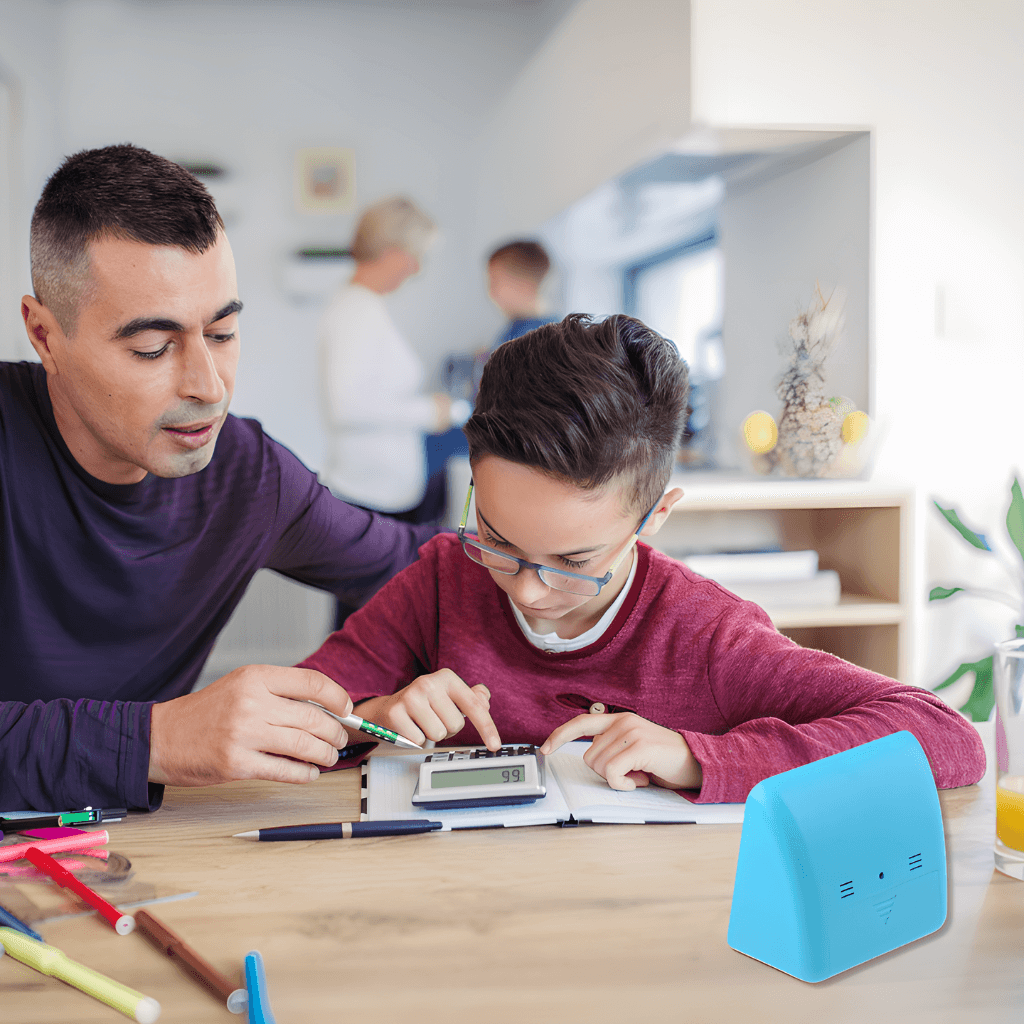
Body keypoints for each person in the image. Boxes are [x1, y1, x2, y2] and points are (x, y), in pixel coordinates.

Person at [298, 314, 986, 801]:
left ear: (655, 515)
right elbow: (294, 714)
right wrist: (376, 714)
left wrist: (699, 757)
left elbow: (945, 737)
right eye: (499, 539)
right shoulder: (445, 578)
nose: (530, 593)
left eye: (572, 559)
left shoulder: (706, 634)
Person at [0, 145, 438, 812]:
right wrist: (153, 739)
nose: (208, 387)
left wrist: (591, 545)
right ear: (44, 334)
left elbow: (423, 566)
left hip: (127, 853)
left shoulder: (247, 473)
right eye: (152, 347)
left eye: (224, 332)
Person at [319, 197, 467, 527]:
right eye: (416, 257)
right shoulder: (356, 312)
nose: (416, 269)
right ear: (391, 251)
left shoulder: (365, 307)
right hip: (371, 497)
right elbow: (346, 407)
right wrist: (431, 412)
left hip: (386, 494)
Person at [485, 240, 555, 352]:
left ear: (524, 286)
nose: (490, 292)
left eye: (495, 282)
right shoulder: (517, 329)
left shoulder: (534, 340)